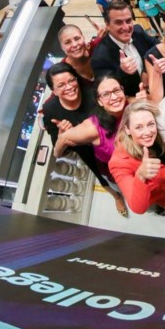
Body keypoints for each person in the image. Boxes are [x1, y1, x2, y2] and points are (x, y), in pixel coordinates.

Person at [42, 64, 125, 216]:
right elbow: (58, 152)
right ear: (54, 91)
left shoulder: (92, 95)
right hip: (85, 149)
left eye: (71, 80)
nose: (69, 87)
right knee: (100, 175)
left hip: (107, 143)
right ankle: (117, 196)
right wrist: (62, 135)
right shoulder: (50, 109)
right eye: (61, 85)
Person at [108, 100, 165, 214]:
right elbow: (137, 208)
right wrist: (140, 176)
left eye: (150, 124)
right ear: (127, 130)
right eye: (139, 127)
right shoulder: (119, 163)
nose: (147, 132)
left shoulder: (159, 130)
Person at [90, 0, 158, 97]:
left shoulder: (137, 31)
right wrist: (123, 71)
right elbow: (107, 92)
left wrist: (146, 71)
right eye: (118, 22)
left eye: (128, 21)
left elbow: (159, 46)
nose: (126, 27)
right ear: (107, 25)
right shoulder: (99, 57)